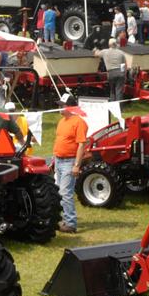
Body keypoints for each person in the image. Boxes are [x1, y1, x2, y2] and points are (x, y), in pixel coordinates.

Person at [53, 96, 88, 234]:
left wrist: (76, 165)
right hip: (59, 159)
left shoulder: (79, 122)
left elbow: (81, 145)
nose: (59, 107)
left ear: (70, 107)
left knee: (65, 192)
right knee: (60, 191)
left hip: (69, 161)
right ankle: (66, 219)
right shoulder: (62, 121)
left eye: (62, 105)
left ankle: (71, 223)